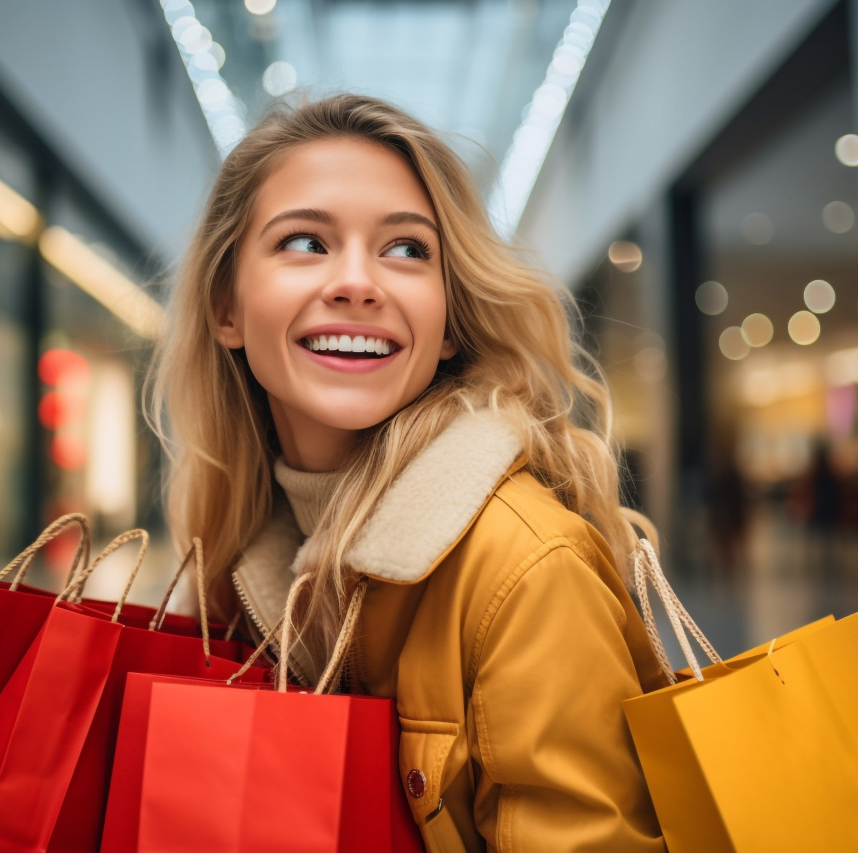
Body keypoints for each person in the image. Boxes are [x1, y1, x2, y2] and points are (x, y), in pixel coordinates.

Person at [149, 94, 667, 851]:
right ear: (227, 305)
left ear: (450, 320)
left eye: (406, 250)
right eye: (304, 241)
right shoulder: (241, 556)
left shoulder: (526, 567)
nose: (359, 283)